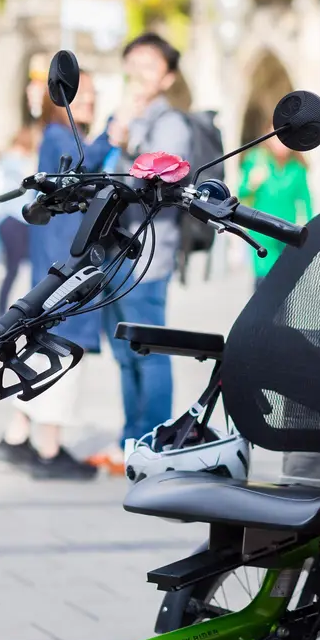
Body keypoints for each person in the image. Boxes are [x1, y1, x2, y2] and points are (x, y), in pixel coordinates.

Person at [0, 73, 110, 481]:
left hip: (56, 259)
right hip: (69, 262)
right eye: (83, 96)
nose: (90, 102)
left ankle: (15, 437)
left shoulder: (53, 136)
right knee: (65, 350)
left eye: (93, 96)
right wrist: (113, 134)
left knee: (44, 345)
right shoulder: (62, 137)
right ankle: (49, 448)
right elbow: (83, 168)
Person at [97, 32, 194, 452]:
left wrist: (129, 141)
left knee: (149, 351)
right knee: (124, 353)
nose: (138, 72)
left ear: (168, 78)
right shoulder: (121, 118)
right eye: (133, 62)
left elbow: (166, 172)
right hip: (113, 252)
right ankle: (130, 439)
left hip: (147, 255)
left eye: (149, 65)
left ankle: (153, 440)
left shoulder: (170, 122)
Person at [236, 137, 312, 287]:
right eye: (277, 138)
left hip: (288, 231)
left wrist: (311, 229)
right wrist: (251, 183)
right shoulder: (256, 160)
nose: (281, 144)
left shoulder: (297, 167)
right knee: (263, 279)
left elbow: (306, 200)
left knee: (285, 279)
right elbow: (240, 193)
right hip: (261, 230)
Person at [0, 127, 38, 315]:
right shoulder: (14, 159)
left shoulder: (17, 159)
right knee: (13, 270)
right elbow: (29, 174)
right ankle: (2, 312)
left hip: (18, 220)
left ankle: (5, 311)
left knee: (15, 270)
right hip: (15, 219)